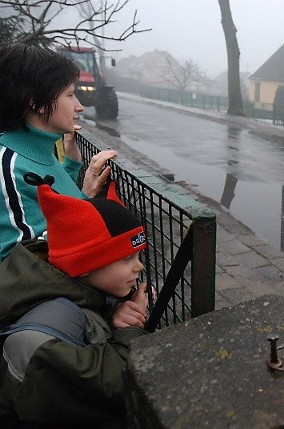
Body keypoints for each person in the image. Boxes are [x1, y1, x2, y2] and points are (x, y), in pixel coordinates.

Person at [0, 174, 150, 428]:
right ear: (84, 266)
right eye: (127, 260)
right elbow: (112, 387)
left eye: (137, 257)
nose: (139, 268)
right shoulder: (39, 340)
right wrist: (128, 333)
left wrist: (111, 316)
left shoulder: (73, 290)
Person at [0, 43, 117, 262]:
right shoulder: (9, 170)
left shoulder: (39, 151)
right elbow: (22, 265)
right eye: (70, 95)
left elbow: (53, 209)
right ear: (38, 103)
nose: (79, 106)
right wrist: (88, 202)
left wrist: (72, 167)